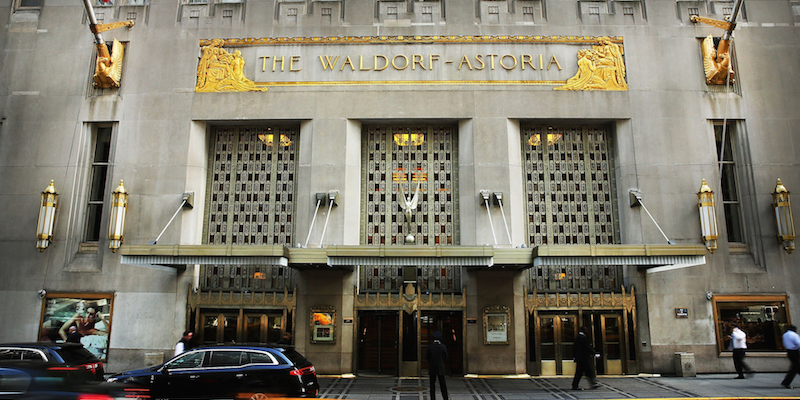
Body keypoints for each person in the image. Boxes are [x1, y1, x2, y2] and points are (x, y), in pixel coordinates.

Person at [426, 331, 449, 400]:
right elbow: (446, 357)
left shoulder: (430, 347)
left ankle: (433, 398)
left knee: (432, 385)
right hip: (440, 367)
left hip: (432, 367)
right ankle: (445, 397)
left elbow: (427, 357)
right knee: (442, 384)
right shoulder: (443, 347)